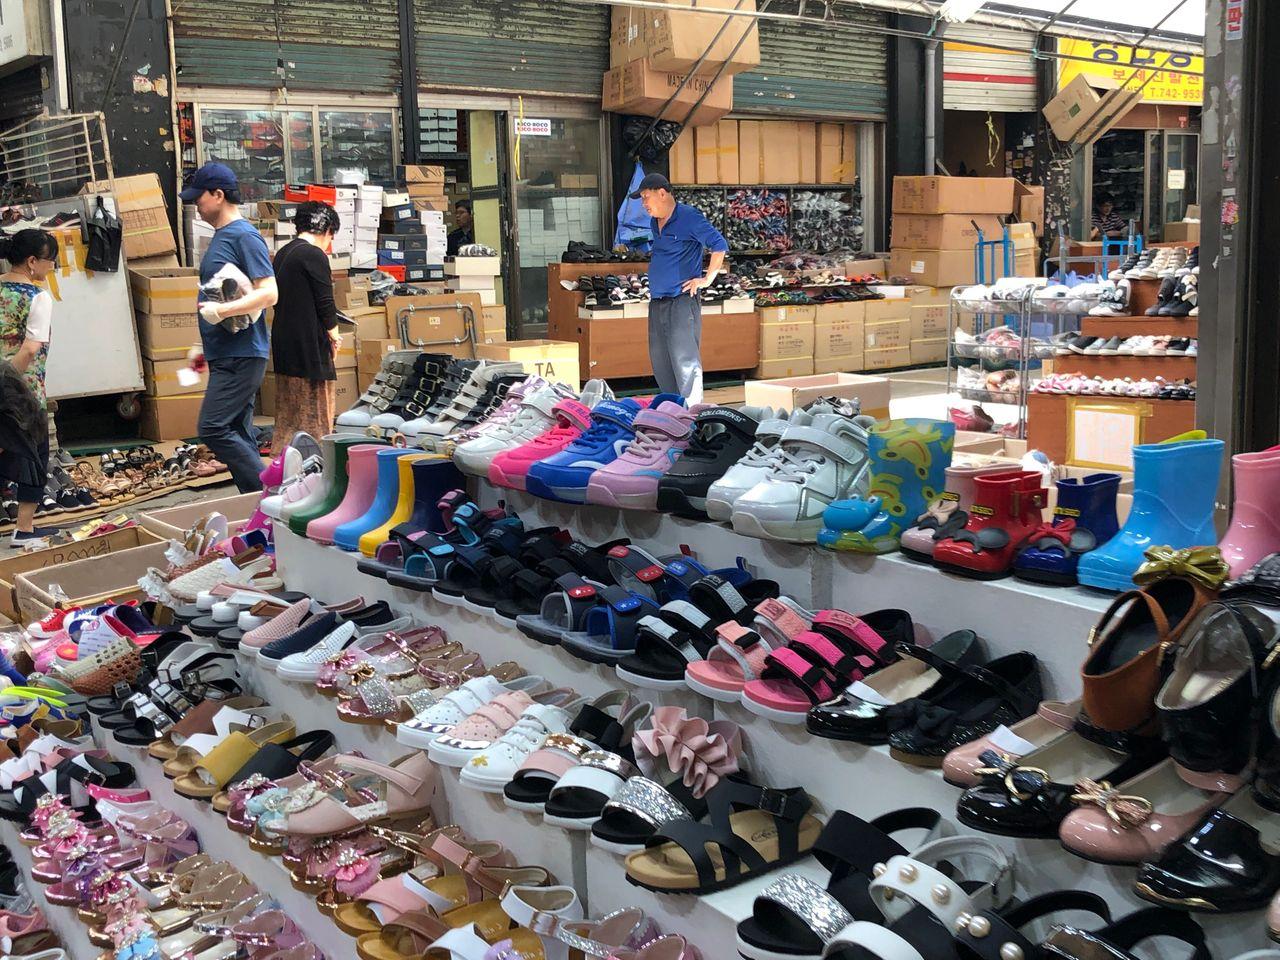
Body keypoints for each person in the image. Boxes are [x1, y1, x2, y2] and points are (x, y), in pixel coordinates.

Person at [182, 162, 278, 493]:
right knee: (238, 431)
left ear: (218, 195)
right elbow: (216, 294)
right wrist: (202, 345)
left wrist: (222, 311)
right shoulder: (224, 236)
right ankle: (259, 510)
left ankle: (273, 495)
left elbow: (270, 293)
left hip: (241, 353)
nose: (196, 204)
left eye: (199, 197)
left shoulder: (243, 236)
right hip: (228, 352)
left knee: (213, 428)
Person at [632, 172, 727, 404]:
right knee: (661, 360)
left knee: (685, 362)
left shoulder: (689, 217)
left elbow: (719, 245)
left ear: (662, 193)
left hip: (682, 300)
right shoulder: (655, 222)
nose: (644, 204)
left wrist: (707, 279)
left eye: (646, 197)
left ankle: (691, 415)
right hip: (658, 301)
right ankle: (671, 410)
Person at [269, 201, 342, 457]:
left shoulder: (284, 253)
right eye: (331, 235)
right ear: (327, 230)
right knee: (316, 414)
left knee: (288, 414)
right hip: (308, 345)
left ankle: (283, 462)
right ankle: (315, 464)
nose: (329, 242)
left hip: (284, 342)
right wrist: (334, 334)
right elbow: (325, 301)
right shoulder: (313, 255)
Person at [0, 229, 57, 547]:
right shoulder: (37, 296)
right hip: (21, 392)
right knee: (34, 455)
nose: (51, 267)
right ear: (32, 261)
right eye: (50, 261)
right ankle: (24, 529)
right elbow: (30, 348)